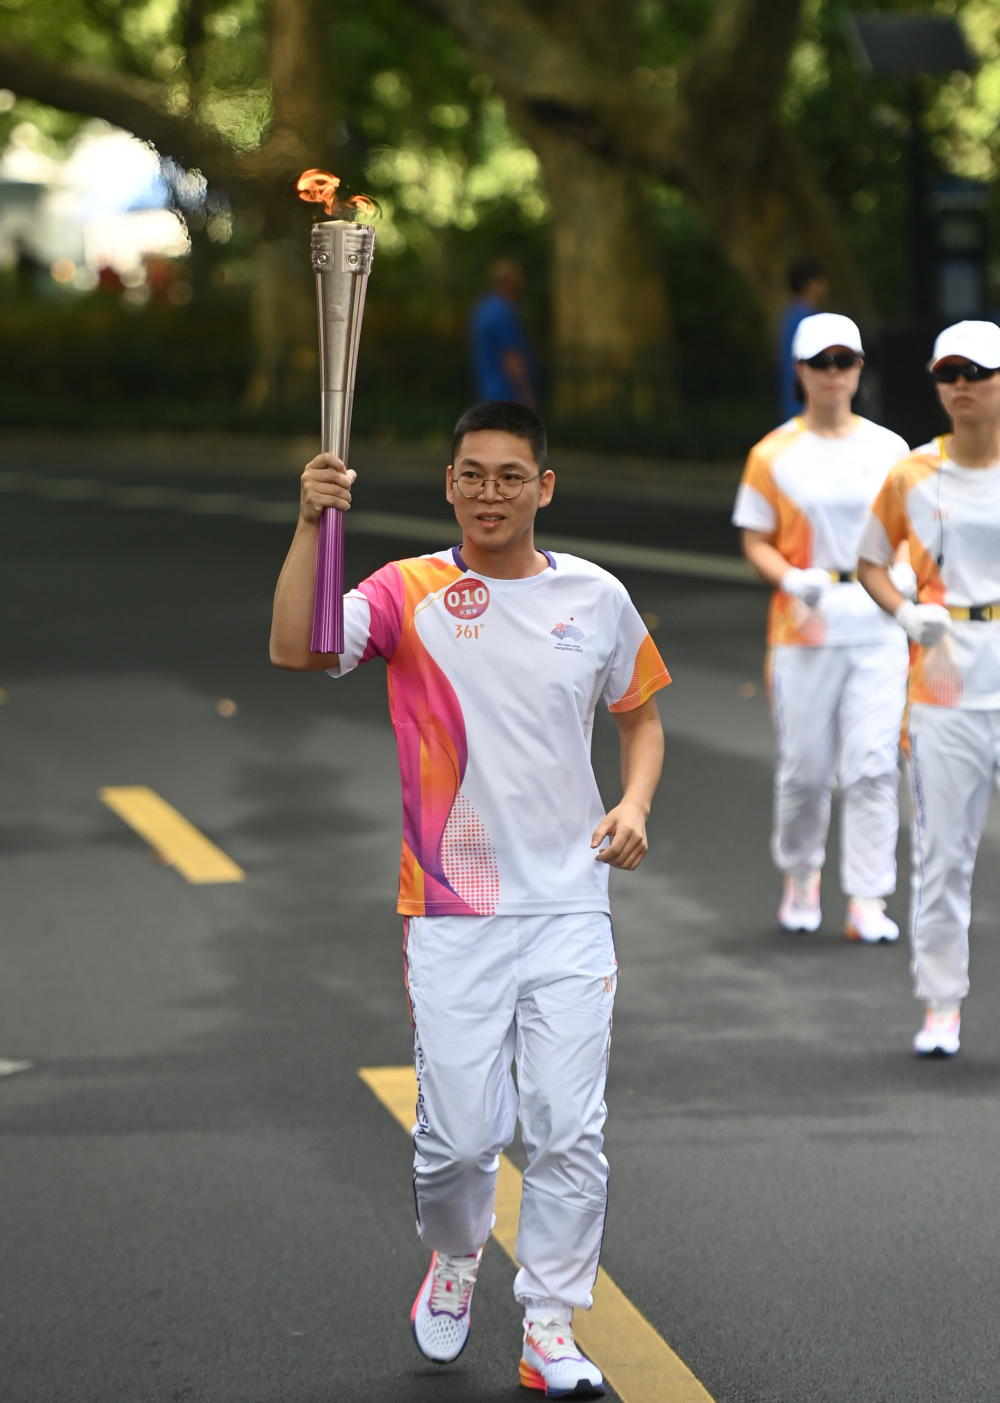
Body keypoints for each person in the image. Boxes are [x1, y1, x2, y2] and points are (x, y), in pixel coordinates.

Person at [270, 400, 669, 1395]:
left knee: (569, 1126)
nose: (490, 492)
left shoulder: (595, 596)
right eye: (471, 475)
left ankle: (549, 1327)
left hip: (570, 903)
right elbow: (296, 647)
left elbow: (641, 718)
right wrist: (313, 521)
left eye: (510, 475)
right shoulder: (408, 594)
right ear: (449, 484)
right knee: (455, 1140)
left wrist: (633, 802)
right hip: (453, 911)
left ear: (544, 487)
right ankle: (454, 1257)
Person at [733, 312, 913, 942]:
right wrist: (787, 576)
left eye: (845, 362)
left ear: (860, 369)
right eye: (821, 363)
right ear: (800, 372)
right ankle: (802, 874)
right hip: (805, 621)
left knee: (872, 765)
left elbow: (911, 532)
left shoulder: (891, 450)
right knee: (806, 768)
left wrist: (910, 585)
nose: (833, 374)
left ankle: (868, 897)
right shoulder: (774, 453)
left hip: (878, 619)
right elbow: (755, 537)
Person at [858, 320, 1000, 1058]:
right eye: (949, 374)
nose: (963, 386)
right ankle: (942, 1002)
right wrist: (906, 610)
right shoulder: (912, 472)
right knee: (946, 852)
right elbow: (872, 562)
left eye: (978, 371)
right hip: (945, 680)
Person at [469, 259, 537, 408]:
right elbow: (510, 355)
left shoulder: (483, 308)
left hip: (488, 390)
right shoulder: (504, 312)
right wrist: (525, 393)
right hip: (508, 394)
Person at [776, 259, 829, 422]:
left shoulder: (789, 316)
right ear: (810, 284)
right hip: (805, 406)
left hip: (793, 403)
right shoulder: (807, 320)